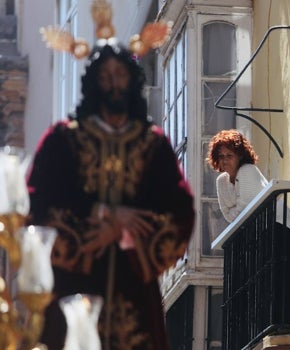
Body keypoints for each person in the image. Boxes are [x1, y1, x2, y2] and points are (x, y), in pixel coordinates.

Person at [28, 37, 195, 349]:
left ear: (133, 81)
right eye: (106, 76)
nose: (114, 83)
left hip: (133, 292)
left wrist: (126, 232)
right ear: (93, 82)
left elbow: (180, 210)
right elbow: (36, 203)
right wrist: (99, 218)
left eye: (121, 75)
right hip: (72, 287)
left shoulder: (153, 146)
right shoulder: (63, 140)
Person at [206, 129, 290, 324]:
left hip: (283, 228)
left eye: (229, 155)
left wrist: (238, 209)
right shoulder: (222, 181)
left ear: (240, 155)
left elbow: (244, 209)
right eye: (221, 156)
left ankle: (289, 323)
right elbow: (228, 214)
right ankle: (273, 323)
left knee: (282, 280)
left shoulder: (247, 171)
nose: (225, 160)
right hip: (263, 231)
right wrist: (238, 209)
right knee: (266, 281)